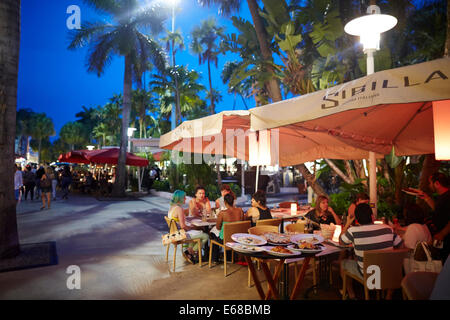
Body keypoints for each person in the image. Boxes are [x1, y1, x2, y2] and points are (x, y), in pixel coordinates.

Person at [340, 203, 403, 300]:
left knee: (343, 263)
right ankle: (388, 296)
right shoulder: (388, 229)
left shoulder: (353, 231)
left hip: (369, 275)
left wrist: (347, 223)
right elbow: (401, 246)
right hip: (388, 273)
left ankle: (351, 295)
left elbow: (341, 241)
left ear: (357, 219)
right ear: (372, 217)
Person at [413, 172, 450, 262]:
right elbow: (438, 210)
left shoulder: (448, 197)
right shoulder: (442, 197)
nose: (429, 185)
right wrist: (426, 198)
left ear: (437, 183)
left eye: (430, 183)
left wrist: (442, 234)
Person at [167, 190, 209, 264]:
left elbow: (180, 222)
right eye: (184, 197)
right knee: (205, 236)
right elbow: (183, 226)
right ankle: (189, 252)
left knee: (198, 232)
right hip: (181, 235)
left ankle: (189, 251)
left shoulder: (172, 207)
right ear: (180, 198)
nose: (185, 199)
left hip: (174, 234)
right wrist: (192, 228)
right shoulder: (179, 209)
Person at [210, 193, 245, 263]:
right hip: (237, 239)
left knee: (212, 235)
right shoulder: (240, 211)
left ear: (225, 202)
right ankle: (229, 257)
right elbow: (241, 224)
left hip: (226, 240)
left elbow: (218, 227)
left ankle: (214, 259)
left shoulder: (222, 213)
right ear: (233, 201)